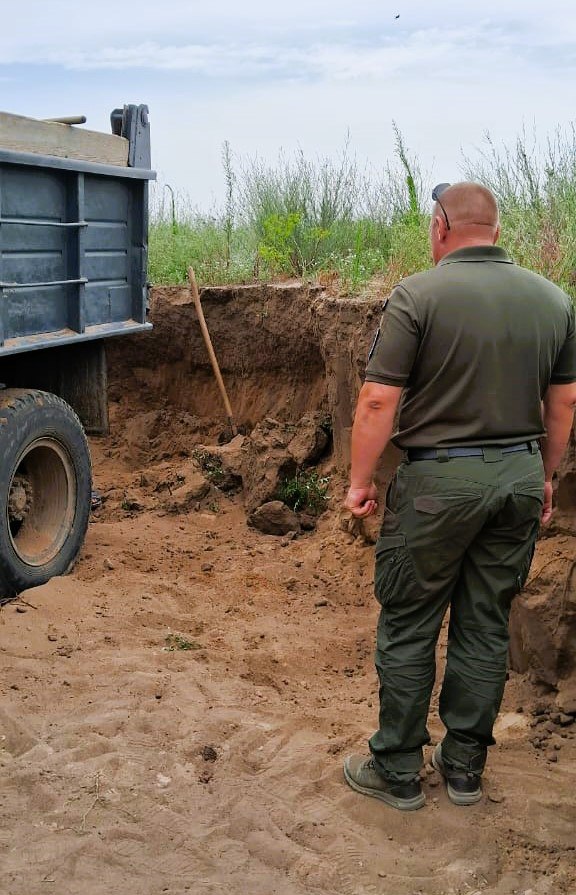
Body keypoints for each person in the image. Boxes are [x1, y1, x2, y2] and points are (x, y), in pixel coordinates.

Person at [343, 181, 576, 812]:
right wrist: (545, 477)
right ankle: (465, 768)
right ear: (495, 230)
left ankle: (395, 769)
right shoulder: (554, 300)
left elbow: (377, 399)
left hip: (437, 487)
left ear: (442, 226)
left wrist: (361, 481)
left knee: (411, 621)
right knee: (485, 622)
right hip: (518, 482)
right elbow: (565, 401)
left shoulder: (418, 295)